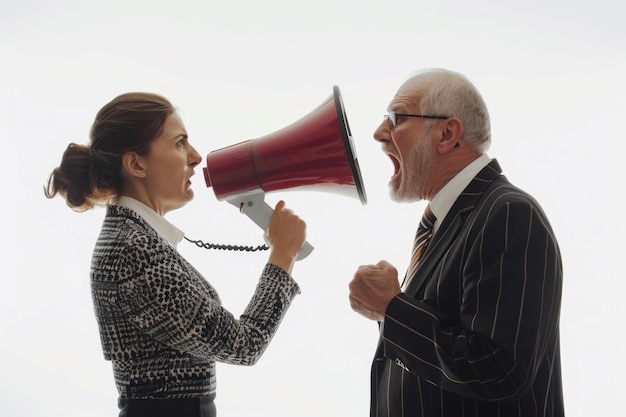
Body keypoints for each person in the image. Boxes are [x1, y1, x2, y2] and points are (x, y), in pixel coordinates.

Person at [44, 92, 307, 417]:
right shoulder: (134, 252)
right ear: (136, 164)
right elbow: (244, 345)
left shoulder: (132, 238)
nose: (196, 157)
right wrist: (283, 255)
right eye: (180, 143)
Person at [348, 68, 564, 417]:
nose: (378, 133)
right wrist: (391, 310)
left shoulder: (509, 215)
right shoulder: (455, 221)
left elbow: (500, 369)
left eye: (395, 118)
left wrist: (392, 309)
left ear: (447, 133)